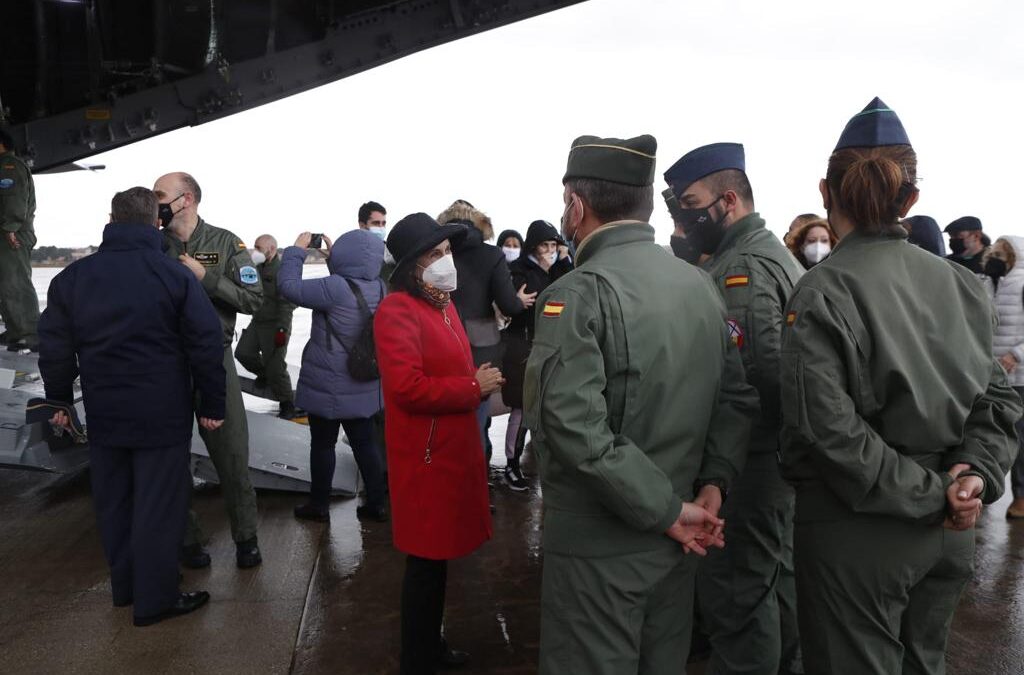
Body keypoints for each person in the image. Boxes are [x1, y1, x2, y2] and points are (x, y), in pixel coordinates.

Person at [779, 97, 1021, 674]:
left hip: (860, 530)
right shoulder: (962, 284)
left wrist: (930, 492)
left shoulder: (822, 290)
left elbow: (829, 433)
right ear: (910, 201)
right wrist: (972, 477)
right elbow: (999, 398)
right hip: (952, 525)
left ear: (824, 191)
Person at [526, 134, 759, 674]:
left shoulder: (577, 292)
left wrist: (668, 510)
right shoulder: (700, 285)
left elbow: (571, 429)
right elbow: (736, 396)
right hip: (680, 541)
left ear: (576, 206)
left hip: (601, 551)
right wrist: (711, 487)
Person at [38, 187, 225, 626]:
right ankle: (156, 599)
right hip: (161, 410)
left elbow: (55, 347)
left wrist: (59, 398)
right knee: (158, 505)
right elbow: (205, 344)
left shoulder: (71, 279)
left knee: (115, 501)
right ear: (155, 221)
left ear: (111, 218)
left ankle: (125, 588)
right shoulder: (174, 275)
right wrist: (212, 402)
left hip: (105, 410)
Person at [664, 141, 805, 675]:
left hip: (749, 462)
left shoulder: (741, 268)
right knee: (776, 588)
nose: (683, 217)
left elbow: (755, 380)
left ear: (728, 200)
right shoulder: (770, 252)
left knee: (737, 598)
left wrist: (720, 471)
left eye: (691, 203)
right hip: (774, 460)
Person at [375, 213, 498, 674]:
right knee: (425, 563)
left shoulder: (442, 303)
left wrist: (471, 382)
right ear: (412, 266)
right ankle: (418, 656)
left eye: (447, 252)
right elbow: (406, 386)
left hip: (448, 450)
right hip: (424, 457)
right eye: (434, 254)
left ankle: (430, 643)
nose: (446, 261)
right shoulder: (396, 311)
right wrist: (472, 388)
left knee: (438, 559)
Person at [153, 171, 264, 570]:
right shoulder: (154, 243)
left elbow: (254, 300)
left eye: (160, 196)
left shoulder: (224, 242)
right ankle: (188, 540)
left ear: (187, 199)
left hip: (213, 359)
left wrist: (208, 280)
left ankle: (246, 538)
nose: (156, 203)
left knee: (232, 453)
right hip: (166, 362)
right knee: (170, 458)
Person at [277, 228, 389, 523]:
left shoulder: (333, 288)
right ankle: (376, 503)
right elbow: (349, 284)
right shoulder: (380, 287)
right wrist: (334, 261)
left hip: (328, 382)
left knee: (323, 445)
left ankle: (319, 505)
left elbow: (288, 287)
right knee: (366, 444)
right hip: (364, 380)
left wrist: (296, 251)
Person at [440, 200, 535, 467]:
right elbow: (508, 304)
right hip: (481, 346)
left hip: (441, 340)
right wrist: (519, 301)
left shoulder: (437, 251)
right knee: (478, 417)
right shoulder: (491, 255)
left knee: (445, 416)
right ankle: (477, 487)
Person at [501, 220, 573, 490]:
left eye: (554, 245)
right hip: (522, 347)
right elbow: (526, 307)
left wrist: (564, 262)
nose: (550, 250)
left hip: (547, 346)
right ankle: (511, 464)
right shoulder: (519, 271)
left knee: (544, 409)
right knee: (521, 409)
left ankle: (542, 461)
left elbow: (567, 291)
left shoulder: (555, 269)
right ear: (533, 245)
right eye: (545, 244)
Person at [978, 237, 1024, 519]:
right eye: (993, 252)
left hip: (1019, 375)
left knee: (1020, 437)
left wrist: (1016, 355)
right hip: (988, 373)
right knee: (984, 431)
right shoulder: (984, 283)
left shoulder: (1022, 284)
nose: (995, 257)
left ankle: (1021, 496)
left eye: (1001, 253)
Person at [234, 234, 298, 419]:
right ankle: (264, 374)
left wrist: (282, 329)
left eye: (259, 248)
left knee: (276, 366)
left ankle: (287, 403)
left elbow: (288, 303)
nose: (255, 251)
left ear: (271, 249)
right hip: (258, 321)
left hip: (275, 324)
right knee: (243, 353)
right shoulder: (257, 268)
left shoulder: (281, 271)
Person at [0, 127, 41, 352]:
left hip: (11, 233)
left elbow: (14, 199)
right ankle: (16, 330)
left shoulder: (9, 166)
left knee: (15, 282)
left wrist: (10, 228)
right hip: (6, 233)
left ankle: (29, 333)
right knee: (5, 284)